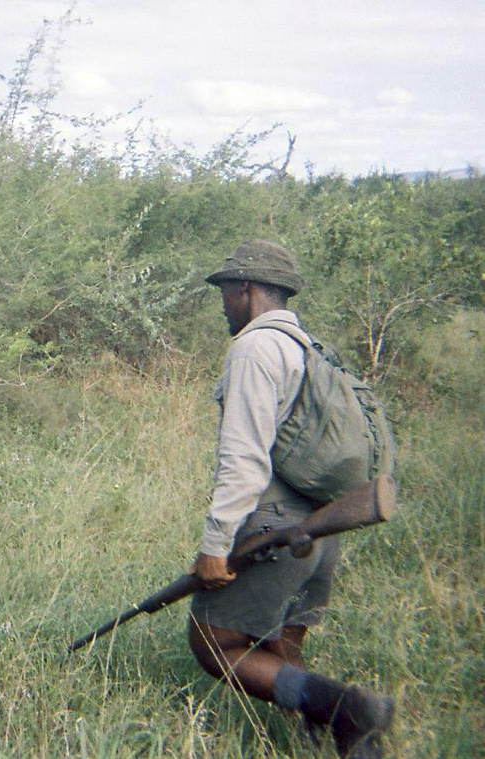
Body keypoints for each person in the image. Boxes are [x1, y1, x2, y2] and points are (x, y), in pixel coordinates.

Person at [188, 240, 393, 757]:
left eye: (225, 292)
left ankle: (347, 707)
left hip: (274, 524)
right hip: (319, 526)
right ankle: (336, 740)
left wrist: (216, 543)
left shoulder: (255, 349)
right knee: (282, 642)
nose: (223, 304)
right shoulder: (308, 346)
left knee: (214, 642)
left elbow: (244, 459)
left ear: (247, 289)